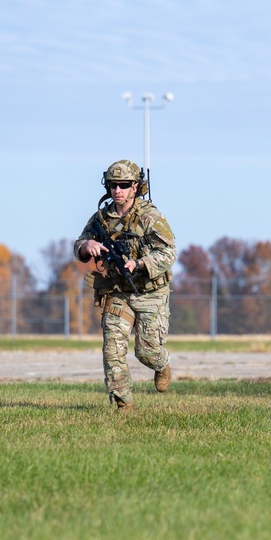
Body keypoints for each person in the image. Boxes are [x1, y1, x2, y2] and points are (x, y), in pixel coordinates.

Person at [73, 160, 176, 412]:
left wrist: (140, 263)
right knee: (113, 348)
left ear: (136, 186)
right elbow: (80, 243)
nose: (117, 190)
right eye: (112, 185)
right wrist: (87, 247)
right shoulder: (102, 217)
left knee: (147, 352)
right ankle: (123, 404)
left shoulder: (150, 216)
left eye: (124, 185)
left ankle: (161, 364)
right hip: (117, 291)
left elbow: (169, 252)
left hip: (150, 292)